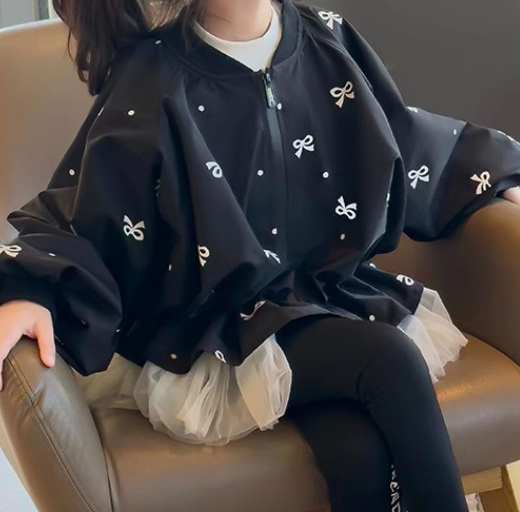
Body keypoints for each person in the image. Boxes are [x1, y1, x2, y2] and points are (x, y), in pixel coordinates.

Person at [1, 0, 520, 510]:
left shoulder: (328, 38)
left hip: (328, 298)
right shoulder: (152, 78)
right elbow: (88, 211)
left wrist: (491, 171)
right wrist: (31, 289)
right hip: (218, 330)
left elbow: (400, 138)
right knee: (391, 359)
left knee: (355, 451)